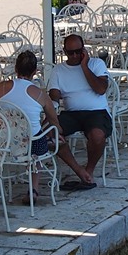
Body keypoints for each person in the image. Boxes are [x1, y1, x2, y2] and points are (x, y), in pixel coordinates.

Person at [0, 50, 94, 201]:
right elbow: (54, 122)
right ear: (35, 71)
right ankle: (33, 189)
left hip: (3, 143)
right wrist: (57, 132)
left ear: (15, 69)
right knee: (51, 138)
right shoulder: (40, 94)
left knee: (33, 134)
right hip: (31, 146)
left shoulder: (1, 87)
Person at [47, 34, 110, 190]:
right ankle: (79, 171)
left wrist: (84, 66)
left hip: (96, 111)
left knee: (97, 136)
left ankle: (89, 170)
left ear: (84, 50)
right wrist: (50, 109)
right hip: (72, 113)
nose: (75, 55)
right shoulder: (59, 70)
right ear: (64, 52)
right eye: (70, 52)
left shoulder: (96, 64)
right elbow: (54, 95)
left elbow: (101, 89)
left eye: (78, 51)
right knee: (49, 133)